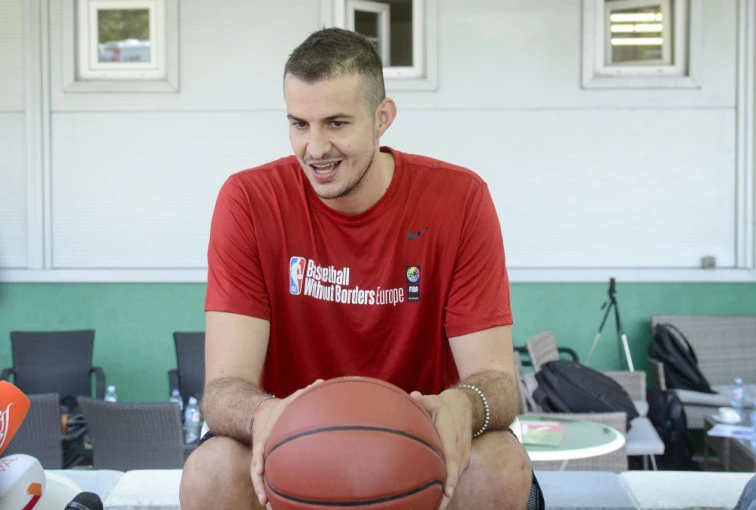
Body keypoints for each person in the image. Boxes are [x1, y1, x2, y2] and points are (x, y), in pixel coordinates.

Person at [180, 27, 540, 510]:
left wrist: (464, 403)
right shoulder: (248, 200)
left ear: (382, 117)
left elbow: (498, 381)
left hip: (421, 451)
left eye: (336, 123)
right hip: (294, 449)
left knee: (500, 464)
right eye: (299, 124)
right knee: (211, 471)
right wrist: (263, 414)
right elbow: (224, 389)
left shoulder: (459, 199)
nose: (315, 148)